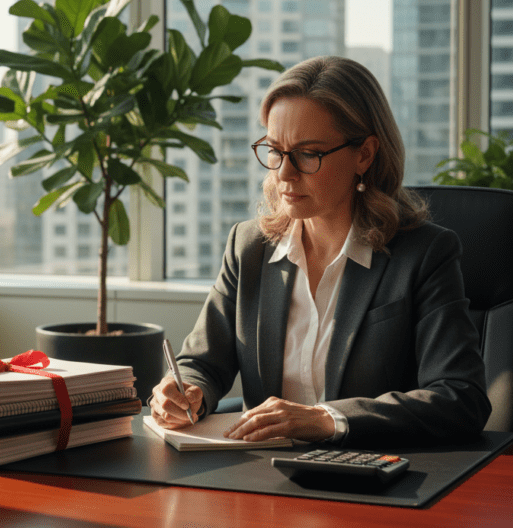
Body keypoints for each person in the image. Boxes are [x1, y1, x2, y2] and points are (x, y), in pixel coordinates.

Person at [149, 55, 491, 446]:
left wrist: (325, 419)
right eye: (275, 150)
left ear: (364, 154)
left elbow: (460, 398)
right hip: (261, 480)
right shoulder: (250, 249)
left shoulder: (424, 255)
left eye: (308, 154)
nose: (283, 174)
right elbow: (201, 364)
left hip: (376, 480)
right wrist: (184, 391)